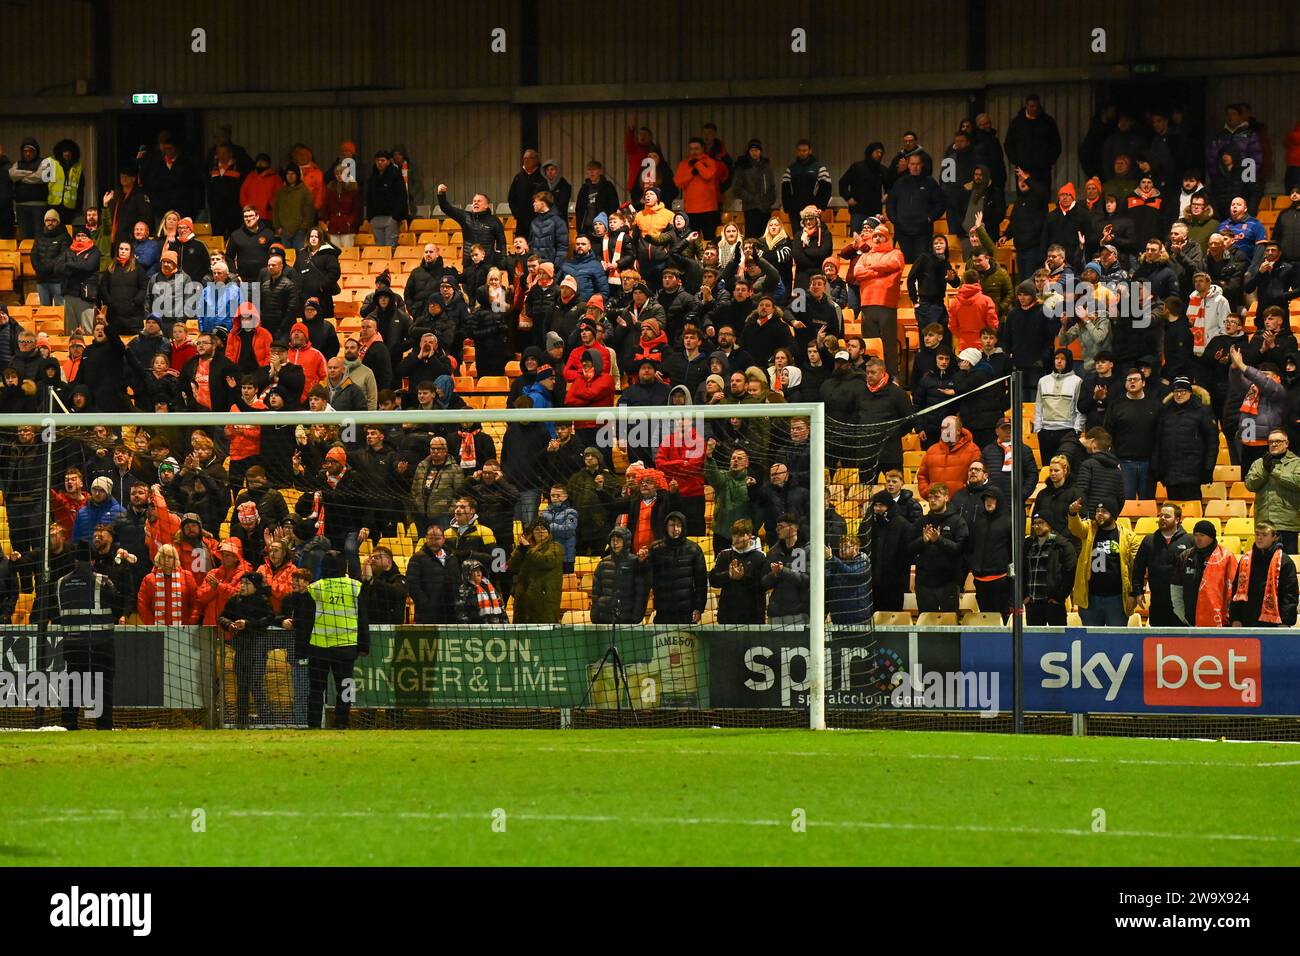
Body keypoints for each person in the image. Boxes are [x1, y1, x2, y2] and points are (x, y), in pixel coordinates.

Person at [303, 551, 368, 729]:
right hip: (346, 647)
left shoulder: (315, 588)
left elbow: (306, 621)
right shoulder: (355, 587)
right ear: (344, 566)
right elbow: (363, 618)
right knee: (346, 687)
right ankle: (342, 723)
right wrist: (364, 645)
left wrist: (302, 648)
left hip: (319, 647)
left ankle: (313, 725)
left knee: (316, 689)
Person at [1068, 496, 1139, 626]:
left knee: (1116, 641)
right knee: (1092, 642)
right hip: (1090, 598)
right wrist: (1073, 513)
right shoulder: (1089, 529)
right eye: (1097, 511)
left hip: (1117, 599)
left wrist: (1133, 593)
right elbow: (1076, 528)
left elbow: (1136, 568)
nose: (1099, 514)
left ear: (1113, 514)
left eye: (1104, 511)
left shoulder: (1129, 537)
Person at [219, 570, 277, 727]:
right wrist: (229, 625)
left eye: (247, 583)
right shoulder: (235, 600)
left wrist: (248, 624)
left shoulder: (262, 601)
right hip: (241, 649)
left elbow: (269, 618)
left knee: (255, 682)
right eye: (242, 583)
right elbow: (222, 617)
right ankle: (242, 719)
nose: (242, 586)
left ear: (255, 587)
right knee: (242, 684)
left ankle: (265, 716)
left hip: (257, 649)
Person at [1151, 377, 1218, 502]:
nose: (1179, 394)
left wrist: (1208, 468)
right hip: (1170, 472)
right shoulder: (1165, 411)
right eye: (1176, 391)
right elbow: (1158, 441)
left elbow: (1212, 442)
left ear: (1190, 393)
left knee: (1192, 510)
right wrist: (1157, 467)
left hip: (1193, 471)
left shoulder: (1202, 411)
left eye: (1183, 391)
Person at [908, 483, 968, 613]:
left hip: (949, 583)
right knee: (926, 626)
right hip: (924, 583)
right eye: (930, 497)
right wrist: (922, 541)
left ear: (946, 498)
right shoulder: (921, 522)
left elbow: (961, 549)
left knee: (950, 625)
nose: (932, 500)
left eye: (937, 497)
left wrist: (939, 540)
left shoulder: (958, 521)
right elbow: (909, 549)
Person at [1131, 504, 1193, 627]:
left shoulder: (1189, 541)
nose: (1163, 518)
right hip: (1158, 601)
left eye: (1167, 516)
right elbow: (1138, 568)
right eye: (1161, 515)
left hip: (1182, 602)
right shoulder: (1149, 540)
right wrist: (1138, 591)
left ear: (1177, 519)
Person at [1229, 522, 1299, 628]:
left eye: (1264, 535)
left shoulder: (1284, 561)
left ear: (1274, 537)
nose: (1259, 538)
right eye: (1257, 534)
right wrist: (1235, 618)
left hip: (1275, 624)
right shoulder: (1245, 560)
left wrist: (1285, 621)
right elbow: (1236, 591)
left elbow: (1290, 594)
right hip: (1247, 621)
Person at [1243, 430, 1300, 555]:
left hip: (1288, 523)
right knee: (1264, 565)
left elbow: (1297, 482)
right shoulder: (1259, 463)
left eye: (1278, 441)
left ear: (1286, 443)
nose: (1274, 444)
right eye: (1271, 442)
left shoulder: (1297, 463)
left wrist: (1273, 471)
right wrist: (1265, 470)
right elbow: (1250, 485)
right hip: (1264, 522)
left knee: (1288, 563)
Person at [1172, 520, 1237, 628]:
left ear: (1211, 537)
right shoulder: (1186, 556)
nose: (1198, 538)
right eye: (1196, 535)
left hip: (1220, 621)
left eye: (1202, 535)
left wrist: (1232, 616)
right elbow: (1176, 586)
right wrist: (1180, 612)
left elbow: (1233, 589)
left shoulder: (1226, 557)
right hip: (1190, 620)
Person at [646, 512, 708, 624]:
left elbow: (701, 582)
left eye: (679, 525)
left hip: (686, 612)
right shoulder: (655, 548)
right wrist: (642, 561)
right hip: (663, 610)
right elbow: (646, 576)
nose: (676, 529)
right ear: (666, 527)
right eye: (672, 525)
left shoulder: (694, 549)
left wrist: (699, 608)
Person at [708, 518, 768, 624]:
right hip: (727, 617)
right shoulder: (724, 555)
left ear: (749, 536)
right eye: (734, 535)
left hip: (753, 618)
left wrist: (743, 576)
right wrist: (729, 575)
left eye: (740, 535)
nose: (736, 539)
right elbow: (713, 580)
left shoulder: (761, 557)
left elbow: (764, 584)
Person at [1024, 512, 1078, 625]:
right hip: (1032, 604)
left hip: (1054, 604)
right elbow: (1022, 571)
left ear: (1050, 524)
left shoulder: (1063, 545)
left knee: (1057, 641)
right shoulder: (1028, 544)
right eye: (1035, 523)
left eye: (1041, 523)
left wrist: (1059, 597)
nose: (1037, 526)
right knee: (1035, 641)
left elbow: (1070, 573)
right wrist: (1024, 596)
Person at [966, 487, 1012, 620]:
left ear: (999, 501)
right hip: (980, 580)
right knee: (985, 618)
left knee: (1001, 619)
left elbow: (1013, 551)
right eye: (986, 499)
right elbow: (970, 547)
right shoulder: (977, 522)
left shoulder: (1008, 521)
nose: (989, 502)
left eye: (992, 499)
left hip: (1000, 579)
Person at [590, 527, 649, 625]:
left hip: (627, 621)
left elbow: (641, 593)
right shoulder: (603, 563)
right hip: (604, 620)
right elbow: (596, 593)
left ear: (626, 541)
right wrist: (595, 616)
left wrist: (635, 618)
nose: (615, 543)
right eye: (613, 540)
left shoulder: (636, 562)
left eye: (618, 540)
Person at [509, 519, 564, 624]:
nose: (540, 531)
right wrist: (520, 550)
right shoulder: (525, 548)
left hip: (544, 600)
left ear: (548, 532)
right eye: (537, 529)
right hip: (523, 600)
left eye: (543, 529)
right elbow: (512, 566)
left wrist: (527, 549)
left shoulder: (555, 547)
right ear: (532, 533)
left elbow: (546, 561)